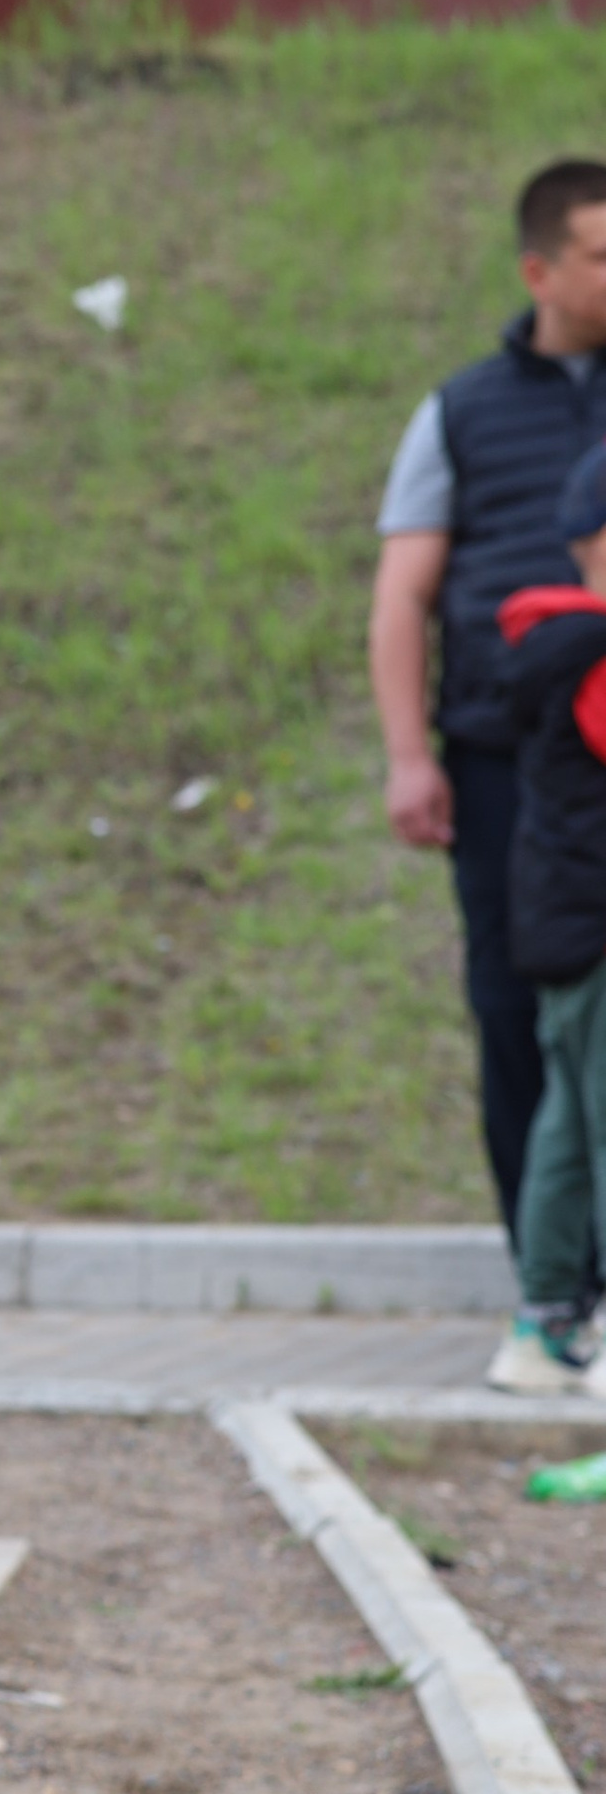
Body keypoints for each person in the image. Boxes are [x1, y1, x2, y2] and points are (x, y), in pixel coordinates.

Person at [370, 159, 606, 1384]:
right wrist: (411, 756)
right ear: (540, 270)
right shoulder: (459, 410)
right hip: (512, 771)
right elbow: (403, 594)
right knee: (524, 1025)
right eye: (603, 255)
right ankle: (551, 1297)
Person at [488, 440, 606, 1389]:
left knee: (568, 1129)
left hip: (561, 927)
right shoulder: (596, 658)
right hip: (598, 929)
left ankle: (541, 1328)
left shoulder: (552, 647)